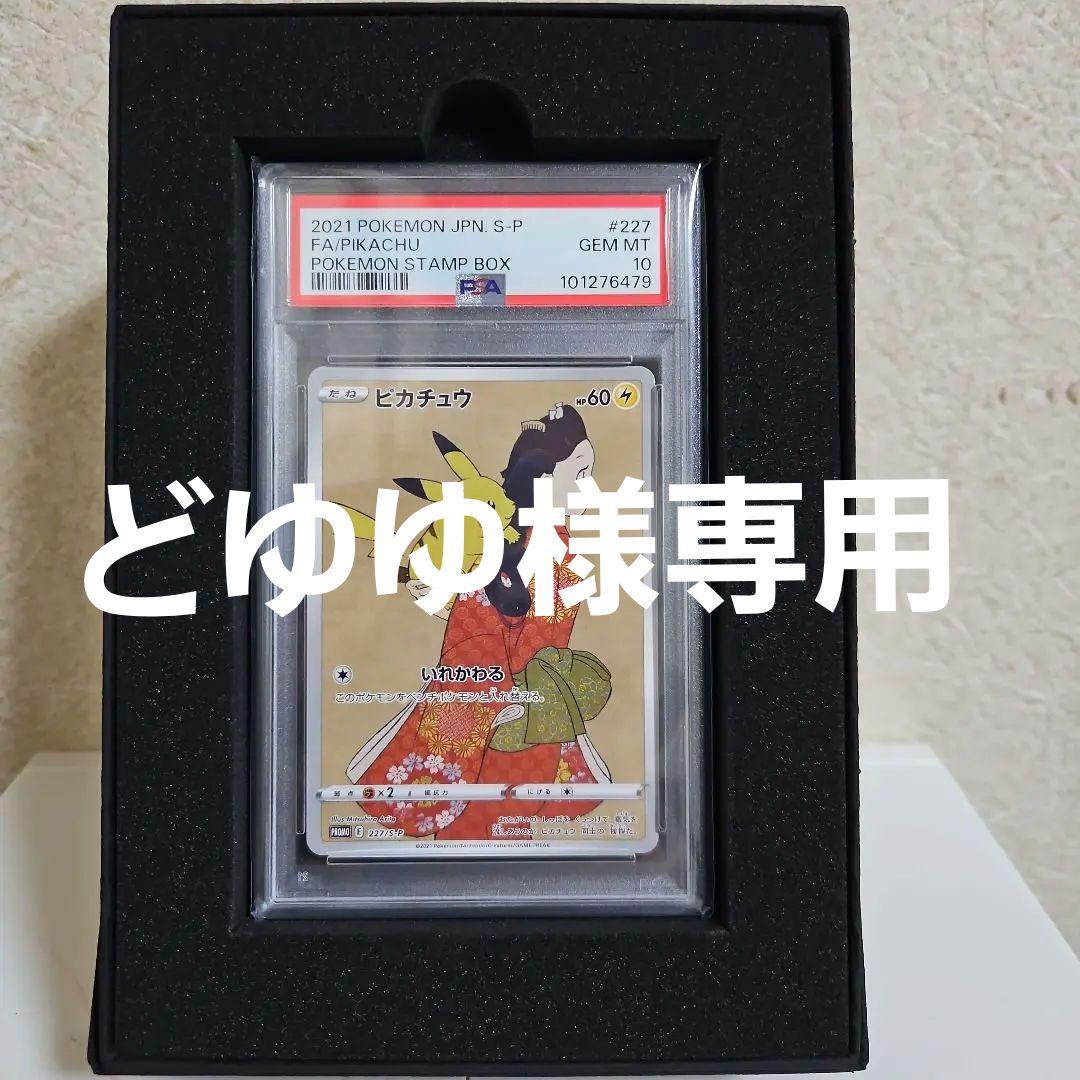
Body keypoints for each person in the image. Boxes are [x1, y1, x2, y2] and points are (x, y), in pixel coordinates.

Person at [345, 403, 612, 841]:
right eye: (580, 472)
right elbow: (510, 637)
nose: (590, 486)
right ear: (543, 477)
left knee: (493, 828)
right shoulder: (533, 546)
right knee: (490, 827)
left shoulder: (529, 541)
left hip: (514, 706)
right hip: (512, 712)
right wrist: (512, 692)